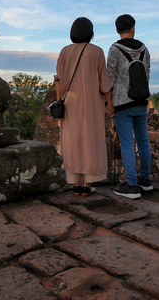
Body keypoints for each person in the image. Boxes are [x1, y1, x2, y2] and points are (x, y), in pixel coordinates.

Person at [55, 17, 114, 196]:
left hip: (70, 104)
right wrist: (110, 105)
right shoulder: (96, 52)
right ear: (90, 32)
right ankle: (87, 184)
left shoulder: (64, 51)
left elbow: (58, 80)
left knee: (72, 142)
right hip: (91, 104)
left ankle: (75, 184)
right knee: (90, 142)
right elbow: (104, 83)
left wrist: (59, 103)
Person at [107, 14, 152, 199]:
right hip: (141, 100)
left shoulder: (115, 49)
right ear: (133, 28)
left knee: (127, 143)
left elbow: (110, 76)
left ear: (117, 30)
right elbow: (147, 73)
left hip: (123, 102)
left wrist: (108, 102)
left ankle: (132, 185)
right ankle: (146, 180)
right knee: (143, 141)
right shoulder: (144, 49)